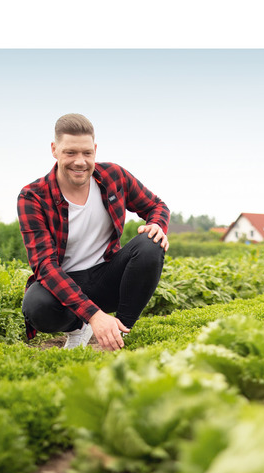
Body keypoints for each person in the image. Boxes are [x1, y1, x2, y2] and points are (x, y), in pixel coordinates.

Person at [18, 113, 170, 351]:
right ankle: (79, 328)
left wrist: (157, 225)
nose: (80, 161)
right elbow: (45, 267)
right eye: (70, 152)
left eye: (87, 153)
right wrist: (93, 315)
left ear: (95, 150)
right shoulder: (33, 197)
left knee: (151, 242)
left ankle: (121, 330)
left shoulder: (114, 177)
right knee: (37, 305)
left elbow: (156, 206)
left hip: (107, 277)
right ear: (54, 149)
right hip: (64, 285)